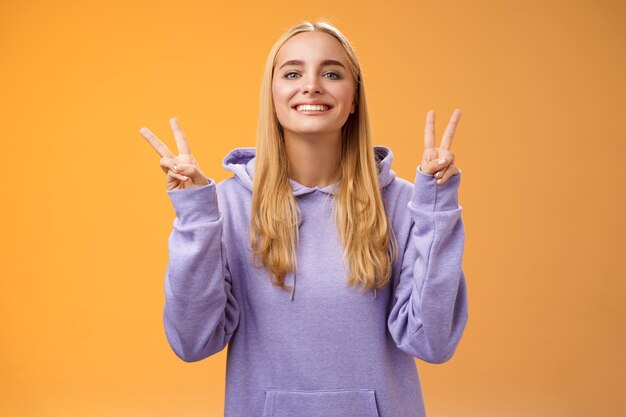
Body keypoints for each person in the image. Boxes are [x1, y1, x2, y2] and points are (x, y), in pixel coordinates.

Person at [139, 19, 468, 417]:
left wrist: (437, 208)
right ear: (272, 96)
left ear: (354, 99)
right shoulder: (224, 206)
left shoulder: (404, 204)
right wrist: (194, 216)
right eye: (293, 72)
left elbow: (431, 342)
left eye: (331, 73)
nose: (311, 85)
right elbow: (193, 342)